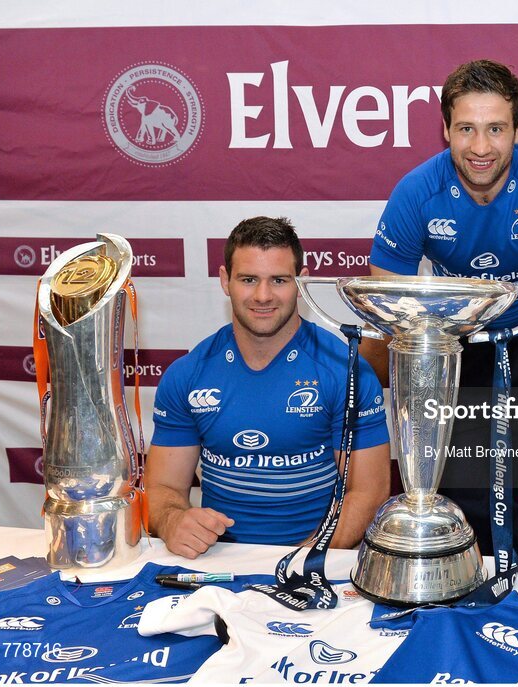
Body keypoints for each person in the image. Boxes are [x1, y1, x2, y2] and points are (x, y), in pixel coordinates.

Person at [364, 59, 518, 556]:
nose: (480, 147)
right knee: (461, 498)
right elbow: (384, 322)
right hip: (457, 347)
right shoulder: (415, 192)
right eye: (466, 129)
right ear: (445, 129)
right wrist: (363, 415)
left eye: (495, 129)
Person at [145, 217, 390, 559]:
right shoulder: (188, 374)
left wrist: (301, 560)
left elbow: (369, 492)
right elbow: (164, 488)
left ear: (301, 283)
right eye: (248, 280)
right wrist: (173, 521)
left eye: (278, 280)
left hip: (317, 560)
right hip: (219, 561)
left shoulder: (345, 371)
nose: (263, 296)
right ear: (224, 281)